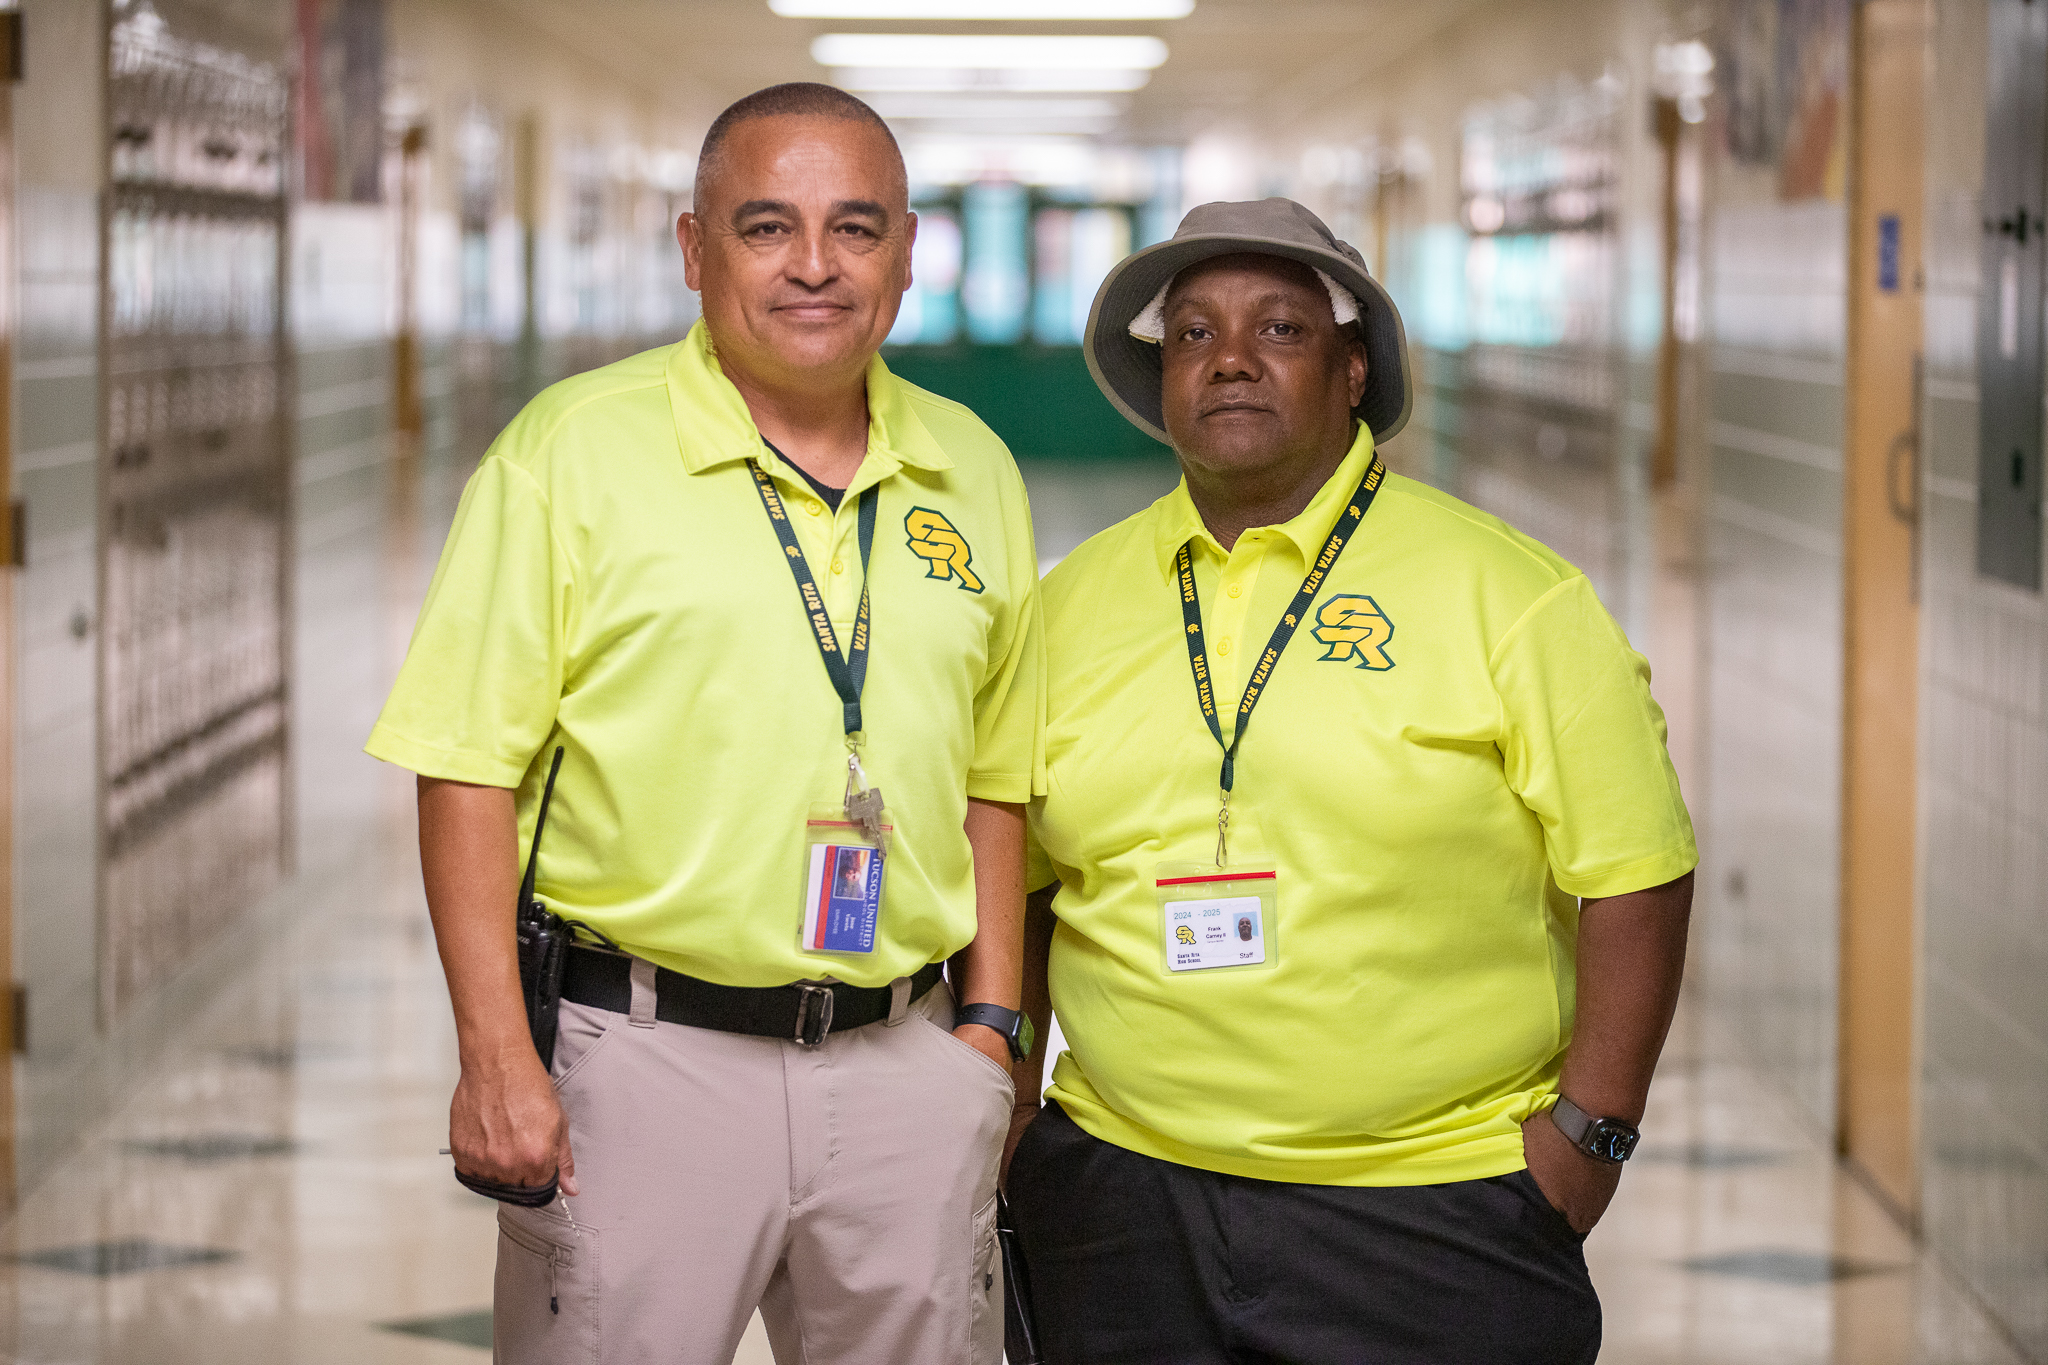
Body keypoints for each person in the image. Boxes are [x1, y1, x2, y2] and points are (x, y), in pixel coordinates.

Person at [368, 83, 1043, 1365]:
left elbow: (996, 780)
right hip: (642, 1063)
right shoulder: (567, 453)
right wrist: (496, 1060)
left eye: (854, 228)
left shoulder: (974, 469)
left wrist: (989, 1037)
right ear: (694, 250)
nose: (812, 267)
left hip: (905, 1056)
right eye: (764, 226)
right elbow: (462, 770)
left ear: (905, 254)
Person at [1004, 198, 1697, 1365]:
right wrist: (1018, 1114)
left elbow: (1638, 875)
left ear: (1351, 365)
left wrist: (1585, 1141)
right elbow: (1016, 881)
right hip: (1122, 1202)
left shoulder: (1509, 597)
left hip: (1435, 1214)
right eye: (1190, 334)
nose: (1227, 359)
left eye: (1276, 329)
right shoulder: (1067, 606)